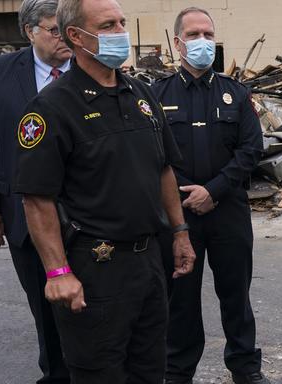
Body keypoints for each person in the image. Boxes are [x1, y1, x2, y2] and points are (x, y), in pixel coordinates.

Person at [13, 0, 196, 382]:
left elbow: (163, 169)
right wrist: (58, 271)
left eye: (122, 23)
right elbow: (37, 198)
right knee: (100, 373)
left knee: (150, 369)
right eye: (109, 25)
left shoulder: (142, 94)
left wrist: (180, 233)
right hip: (94, 266)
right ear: (76, 36)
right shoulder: (51, 107)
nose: (121, 33)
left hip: (149, 262)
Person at [151, 7, 268, 384]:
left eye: (208, 34)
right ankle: (178, 371)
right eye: (194, 34)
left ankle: (245, 368)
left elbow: (251, 150)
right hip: (179, 216)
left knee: (236, 296)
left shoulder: (236, 93)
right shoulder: (157, 95)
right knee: (180, 300)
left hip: (227, 212)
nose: (202, 42)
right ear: (177, 43)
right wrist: (186, 195)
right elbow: (153, 154)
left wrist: (213, 191)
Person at [0, 1, 72, 382]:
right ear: (30, 31)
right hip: (24, 218)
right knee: (45, 310)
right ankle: (56, 374)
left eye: (68, 28)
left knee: (95, 308)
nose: (65, 37)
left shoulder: (91, 69)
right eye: (54, 30)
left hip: (88, 215)